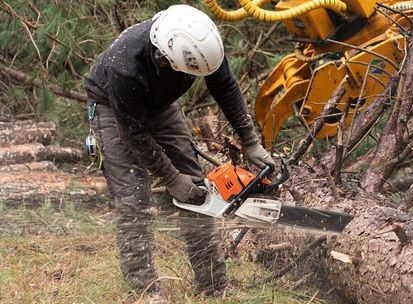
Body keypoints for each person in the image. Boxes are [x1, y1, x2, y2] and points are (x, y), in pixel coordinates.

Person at [83, 4, 276, 301]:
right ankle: (145, 290)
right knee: (135, 199)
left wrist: (250, 141)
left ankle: (214, 284)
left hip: (160, 106)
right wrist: (171, 178)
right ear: (163, 57)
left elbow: (225, 86)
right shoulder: (125, 65)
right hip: (113, 109)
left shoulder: (201, 43)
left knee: (197, 190)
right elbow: (133, 132)